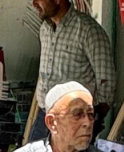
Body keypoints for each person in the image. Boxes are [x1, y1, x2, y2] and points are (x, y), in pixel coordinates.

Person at [28, 0, 116, 141]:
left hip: (73, 120)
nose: (34, 4)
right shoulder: (45, 29)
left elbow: (107, 82)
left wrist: (92, 119)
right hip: (44, 115)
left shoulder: (88, 30)